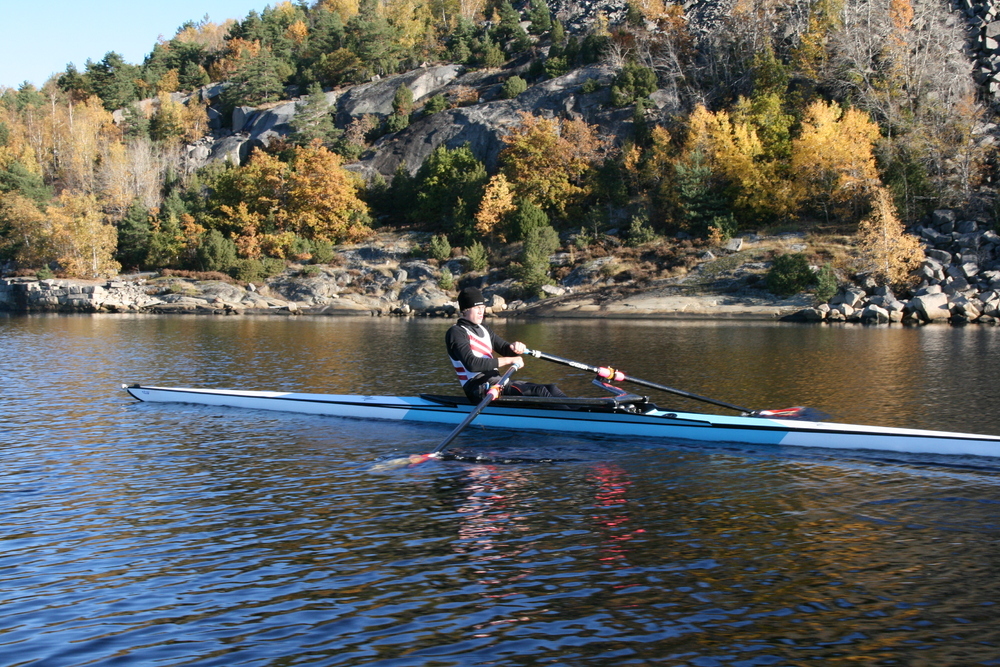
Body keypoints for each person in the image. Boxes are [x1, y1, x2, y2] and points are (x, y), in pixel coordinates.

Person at [446, 287, 567, 403]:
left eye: (482, 307)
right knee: (538, 391)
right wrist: (509, 360)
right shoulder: (456, 332)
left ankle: (581, 412)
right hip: (477, 388)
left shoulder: (485, 329)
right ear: (465, 310)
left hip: (496, 382)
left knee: (551, 388)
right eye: (476, 307)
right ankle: (571, 420)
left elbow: (505, 349)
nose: (481, 311)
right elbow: (472, 364)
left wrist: (516, 348)